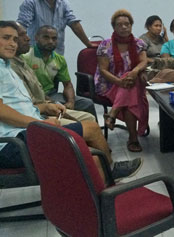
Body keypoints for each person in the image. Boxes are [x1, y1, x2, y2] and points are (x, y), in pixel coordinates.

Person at [0, 20, 141, 180]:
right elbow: (2, 111)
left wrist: (45, 108)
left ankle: (105, 187)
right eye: (6, 38)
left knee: (92, 158)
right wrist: (37, 123)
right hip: (11, 143)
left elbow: (18, 106)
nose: (13, 43)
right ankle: (110, 174)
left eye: (14, 39)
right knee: (92, 130)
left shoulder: (6, 66)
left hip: (25, 131)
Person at [12, 22, 95, 125]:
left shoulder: (59, 59)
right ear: (37, 38)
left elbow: (67, 84)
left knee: (87, 104)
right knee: (64, 111)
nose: (50, 41)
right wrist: (50, 103)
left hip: (52, 93)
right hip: (38, 98)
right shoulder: (26, 57)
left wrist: (71, 102)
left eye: (54, 38)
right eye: (46, 37)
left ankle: (93, 133)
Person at [95, 9, 149, 152]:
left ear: (131, 25)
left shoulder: (139, 43)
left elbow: (143, 62)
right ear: (114, 27)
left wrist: (135, 71)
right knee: (130, 88)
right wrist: (120, 82)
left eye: (127, 24)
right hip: (109, 84)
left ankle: (113, 113)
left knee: (130, 81)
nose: (124, 27)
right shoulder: (105, 45)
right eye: (120, 25)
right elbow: (103, 70)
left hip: (131, 82)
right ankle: (133, 138)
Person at [17, 0, 93, 55]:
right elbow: (22, 25)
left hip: (56, 53)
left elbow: (74, 23)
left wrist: (88, 43)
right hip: (34, 54)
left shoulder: (63, 2)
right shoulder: (30, 2)